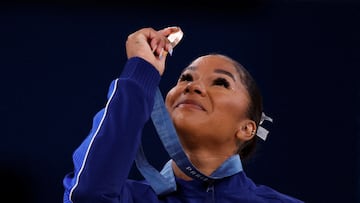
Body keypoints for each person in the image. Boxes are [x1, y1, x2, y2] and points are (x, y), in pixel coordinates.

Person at [63, 26, 304, 203]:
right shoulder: (131, 198)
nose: (192, 86)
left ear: (246, 128)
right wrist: (141, 72)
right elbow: (88, 195)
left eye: (220, 82)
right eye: (185, 78)